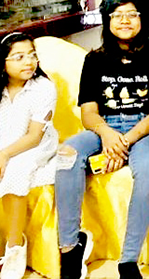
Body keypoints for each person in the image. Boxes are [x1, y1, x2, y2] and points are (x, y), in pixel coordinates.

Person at [55, 0, 149, 279]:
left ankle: (128, 261)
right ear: (108, 22)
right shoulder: (94, 59)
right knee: (67, 154)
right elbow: (88, 112)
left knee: (148, 170)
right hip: (105, 127)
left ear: (142, 20)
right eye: (117, 16)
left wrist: (123, 143)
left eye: (131, 14)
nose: (125, 21)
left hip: (146, 130)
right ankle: (70, 247)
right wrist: (107, 135)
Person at [0, 32, 57, 279]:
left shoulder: (44, 87)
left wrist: (4, 154)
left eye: (32, 55)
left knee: (15, 171)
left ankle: (14, 247)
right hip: (3, 144)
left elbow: (34, 137)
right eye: (19, 57)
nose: (28, 62)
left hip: (36, 146)